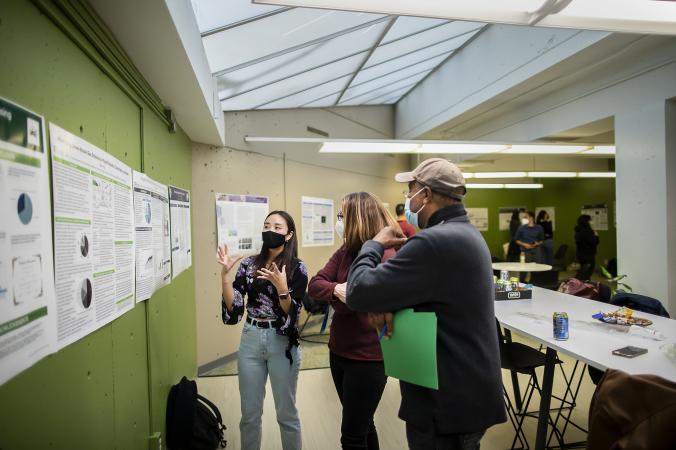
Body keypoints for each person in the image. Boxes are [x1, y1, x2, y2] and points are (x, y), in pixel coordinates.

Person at [346, 158, 506, 450]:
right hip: (467, 391)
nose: (407, 199)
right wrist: (387, 303)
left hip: (446, 403)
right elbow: (432, 297)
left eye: (410, 191)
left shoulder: (435, 242)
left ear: (426, 195)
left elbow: (358, 290)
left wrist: (375, 244)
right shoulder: (466, 234)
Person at [308, 192, 399, 450]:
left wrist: (345, 295)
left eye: (341, 215)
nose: (338, 221)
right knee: (363, 425)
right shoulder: (346, 251)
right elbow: (315, 285)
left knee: (351, 435)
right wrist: (338, 290)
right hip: (339, 352)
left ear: (358, 218)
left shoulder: (386, 256)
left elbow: (362, 302)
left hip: (369, 359)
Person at [217, 211, 308, 450]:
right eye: (267, 225)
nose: (270, 230)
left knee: (286, 414)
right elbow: (234, 308)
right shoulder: (248, 264)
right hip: (251, 340)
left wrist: (282, 288)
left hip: (282, 343)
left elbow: (293, 313)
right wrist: (225, 277)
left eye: (278, 227)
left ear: (289, 235)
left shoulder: (297, 268)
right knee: (249, 415)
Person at [575, 214, 599, 280]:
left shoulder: (578, 230)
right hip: (588, 255)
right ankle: (585, 286)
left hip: (581, 254)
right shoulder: (586, 232)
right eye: (590, 220)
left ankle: (584, 285)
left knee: (584, 272)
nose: (591, 221)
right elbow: (594, 242)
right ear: (586, 221)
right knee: (587, 273)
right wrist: (596, 235)